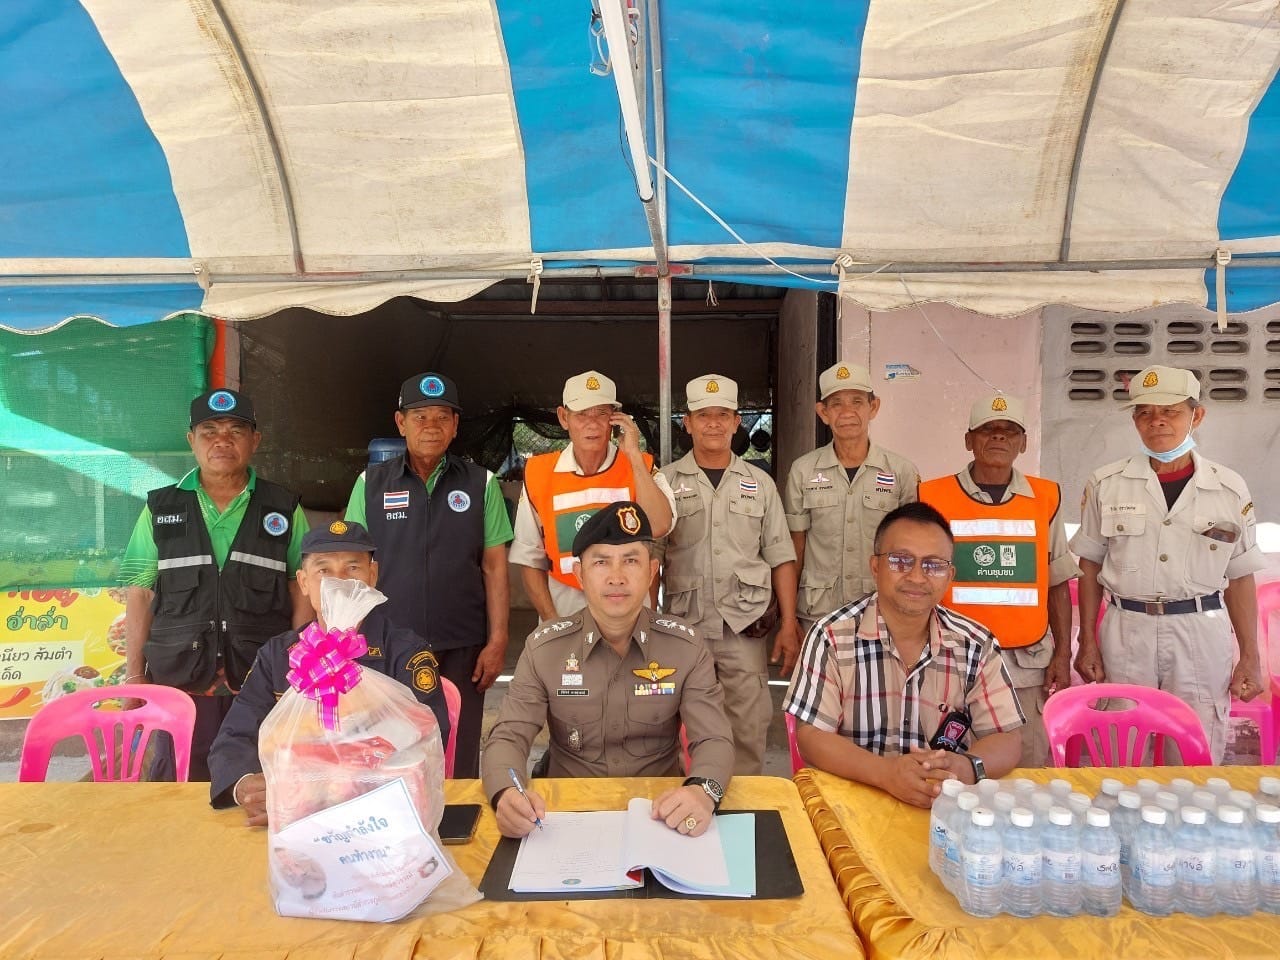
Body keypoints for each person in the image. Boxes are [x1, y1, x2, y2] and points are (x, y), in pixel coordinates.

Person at [483, 501, 735, 839]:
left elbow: (714, 738)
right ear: (580, 575)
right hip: (564, 818)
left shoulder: (685, 648)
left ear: (652, 571)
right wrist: (506, 794)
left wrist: (703, 792)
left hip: (660, 814)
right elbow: (508, 736)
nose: (617, 577)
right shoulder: (545, 650)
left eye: (631, 561)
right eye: (601, 562)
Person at [1071, 365, 1265, 763]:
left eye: (1170, 411)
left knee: (1194, 747)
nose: (1156, 421)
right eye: (1144, 412)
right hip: (1126, 630)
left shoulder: (1228, 489)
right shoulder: (1106, 483)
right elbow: (1089, 567)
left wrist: (1250, 654)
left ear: (1197, 416)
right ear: (1134, 421)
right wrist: (1086, 641)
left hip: (1199, 631)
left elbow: (1240, 575)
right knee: (1122, 749)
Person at [119, 388, 311, 781]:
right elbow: (140, 591)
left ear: (255, 441)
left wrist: (297, 667)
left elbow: (302, 587)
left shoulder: (284, 507)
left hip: (260, 680)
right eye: (209, 431)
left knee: (256, 784)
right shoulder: (160, 508)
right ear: (191, 440)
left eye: (235, 431)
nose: (222, 440)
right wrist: (135, 676)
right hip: (180, 679)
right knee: (178, 783)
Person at [784, 502, 1025, 808]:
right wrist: (886, 774)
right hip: (852, 804)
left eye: (933, 565)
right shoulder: (831, 636)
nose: (917, 577)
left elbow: (1007, 738)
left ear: (949, 575)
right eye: (901, 561)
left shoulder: (976, 644)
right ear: (875, 567)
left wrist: (963, 768)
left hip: (942, 806)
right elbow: (811, 736)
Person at [208, 520, 450, 824]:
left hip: (379, 814)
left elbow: (426, 736)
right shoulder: (278, 655)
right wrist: (244, 785)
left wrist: (329, 790)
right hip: (289, 816)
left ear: (373, 576)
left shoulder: (405, 652)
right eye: (324, 570)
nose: (339, 581)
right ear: (304, 582)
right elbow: (235, 734)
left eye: (353, 568)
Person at [344, 372, 511, 779]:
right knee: (388, 749)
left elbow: (494, 566)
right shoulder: (370, 483)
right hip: (388, 645)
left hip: (462, 645)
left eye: (442, 417)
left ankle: (460, 814)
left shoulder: (481, 483)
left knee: (459, 746)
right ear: (401, 423)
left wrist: (498, 640)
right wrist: (348, 638)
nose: (431, 427)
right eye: (420, 417)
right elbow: (351, 568)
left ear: (455, 426)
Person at [919, 393, 1078, 767]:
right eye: (987, 429)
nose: (998, 437)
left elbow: (1057, 580)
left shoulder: (1046, 497)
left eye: (1010, 431)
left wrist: (1063, 653)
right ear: (969, 440)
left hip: (1026, 662)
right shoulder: (931, 495)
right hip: (952, 660)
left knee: (1026, 769)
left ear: (1023, 443)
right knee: (948, 771)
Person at [657, 374, 799, 774]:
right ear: (687, 423)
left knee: (748, 724)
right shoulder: (665, 482)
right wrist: (647, 622)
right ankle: (689, 797)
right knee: (678, 720)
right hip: (685, 624)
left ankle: (743, 800)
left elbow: (780, 556)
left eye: (723, 415)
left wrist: (789, 623)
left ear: (737, 422)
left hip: (744, 623)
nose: (714, 424)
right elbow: (652, 558)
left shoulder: (760, 483)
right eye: (704, 415)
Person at [510, 370, 676, 620]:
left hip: (629, 621)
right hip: (565, 616)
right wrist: (553, 624)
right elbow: (529, 559)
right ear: (563, 417)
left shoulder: (641, 465)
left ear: (615, 418)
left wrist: (633, 455)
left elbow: (660, 525)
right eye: (582, 414)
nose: (592, 423)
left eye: (602, 413)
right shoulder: (539, 473)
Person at [784, 361, 918, 632]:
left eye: (857, 402)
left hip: (881, 609)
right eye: (836, 404)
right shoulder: (803, 470)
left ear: (873, 407)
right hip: (818, 612)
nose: (847, 412)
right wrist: (788, 618)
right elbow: (796, 546)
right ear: (823, 413)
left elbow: (911, 547)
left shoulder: (901, 471)